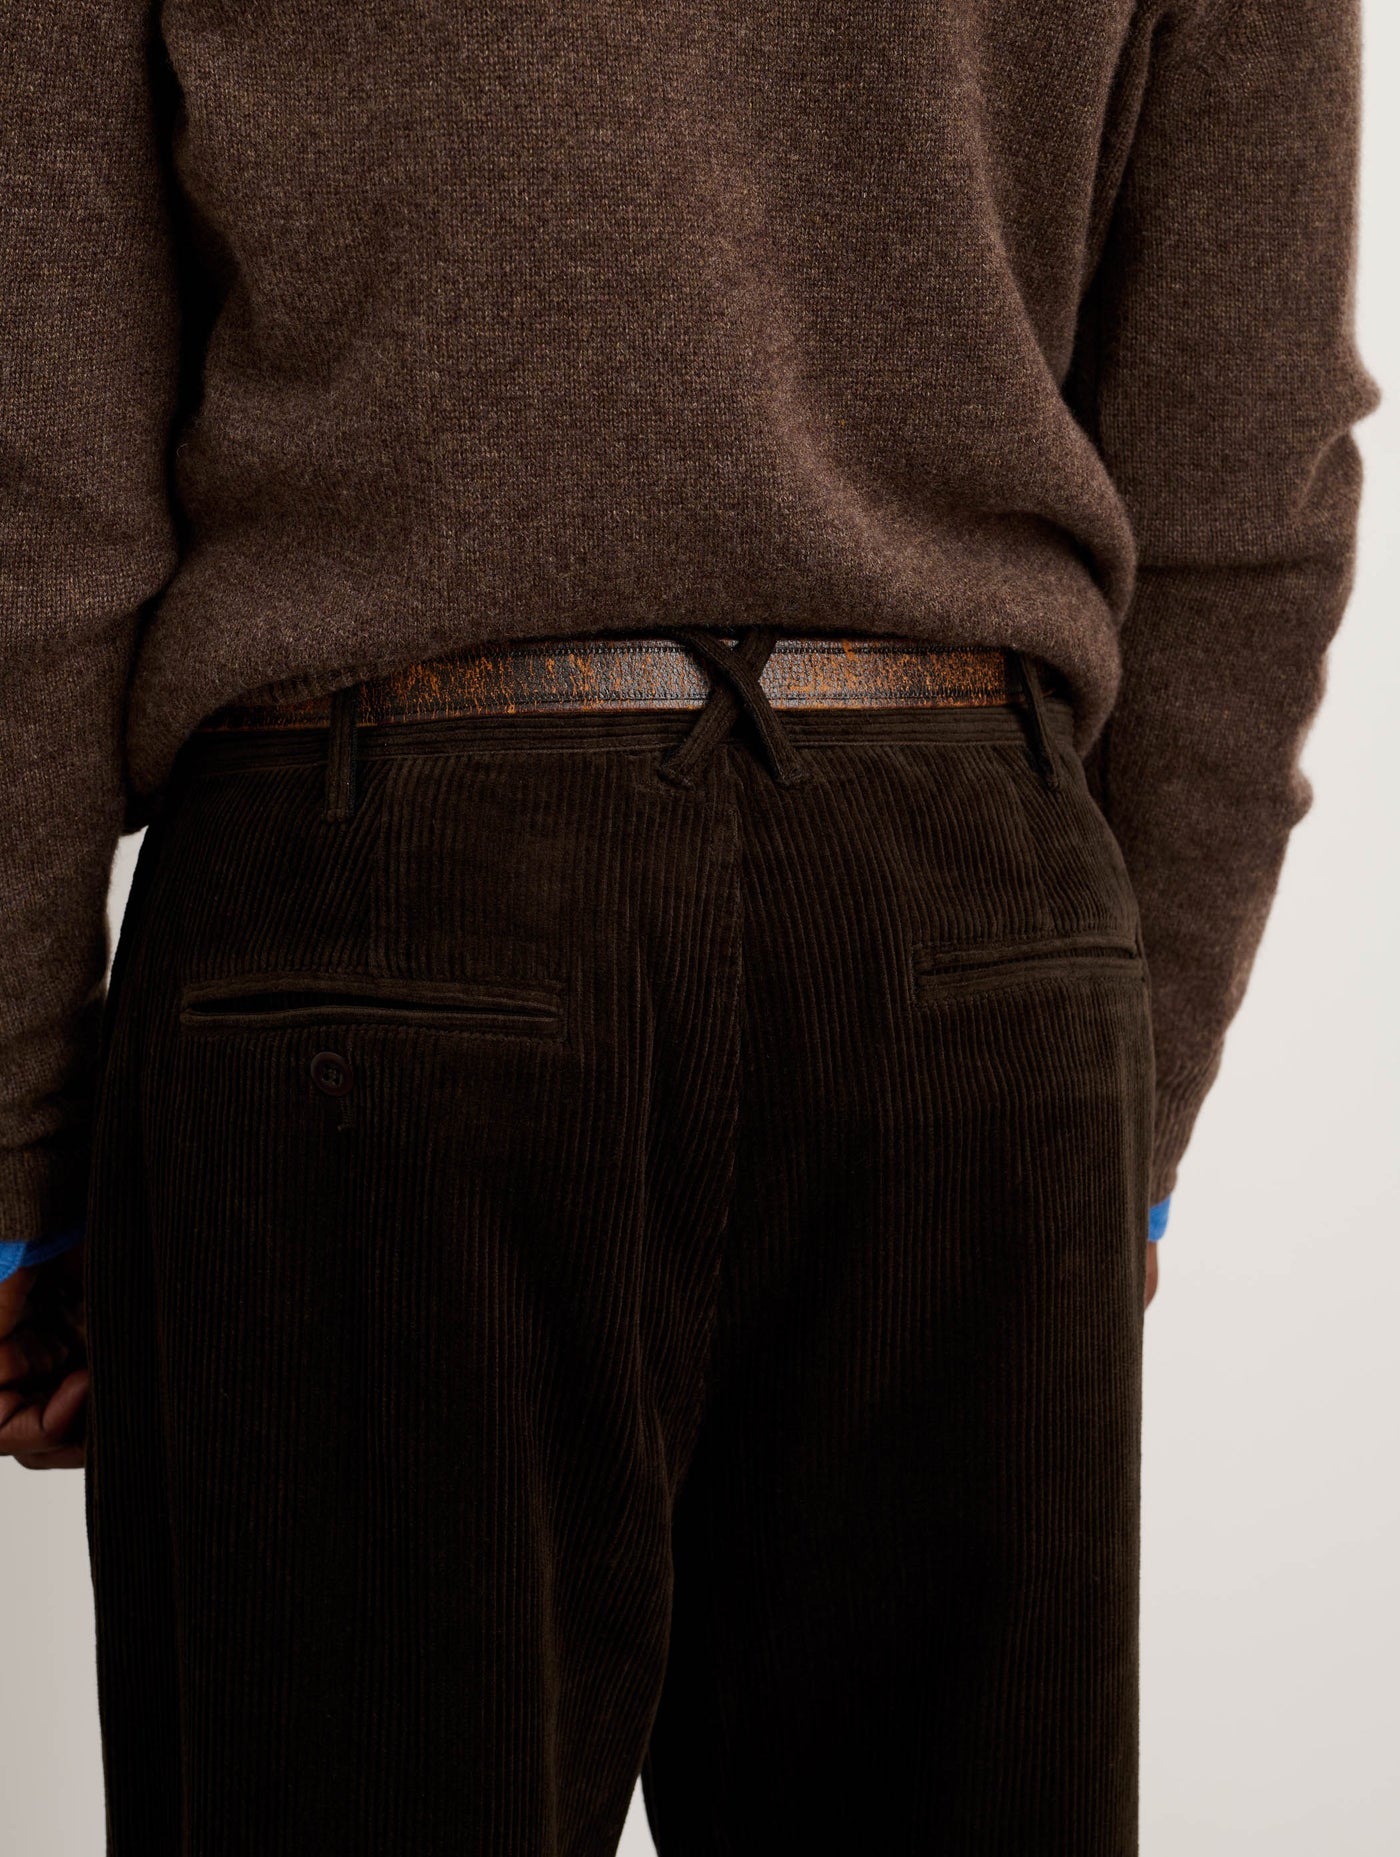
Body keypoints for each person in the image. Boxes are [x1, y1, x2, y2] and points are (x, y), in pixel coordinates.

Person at [0, 1, 1378, 1850]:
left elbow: (37, 469)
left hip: (374, 929)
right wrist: (1128, 1095)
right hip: (969, 922)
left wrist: (21, 1149)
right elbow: (1250, 449)